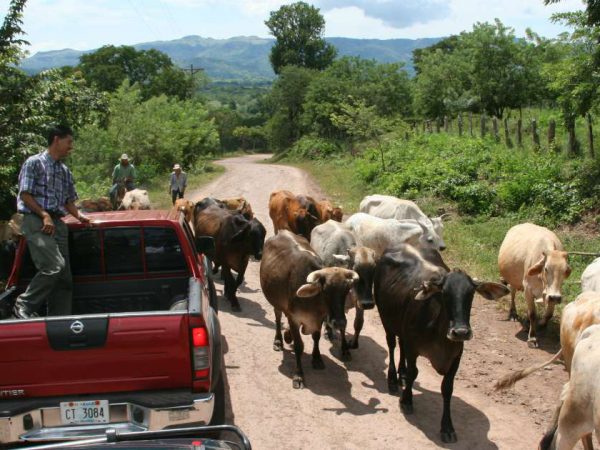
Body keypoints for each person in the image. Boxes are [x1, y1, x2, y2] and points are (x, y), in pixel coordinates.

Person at [13, 124, 90, 319]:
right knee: (53, 266)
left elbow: (68, 201)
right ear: (57, 139)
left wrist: (80, 216)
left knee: (64, 279)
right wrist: (44, 215)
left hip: (58, 224)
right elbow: (25, 194)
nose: (70, 147)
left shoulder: (64, 170)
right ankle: (24, 304)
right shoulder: (34, 163)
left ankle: (59, 322)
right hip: (36, 220)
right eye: (69, 142)